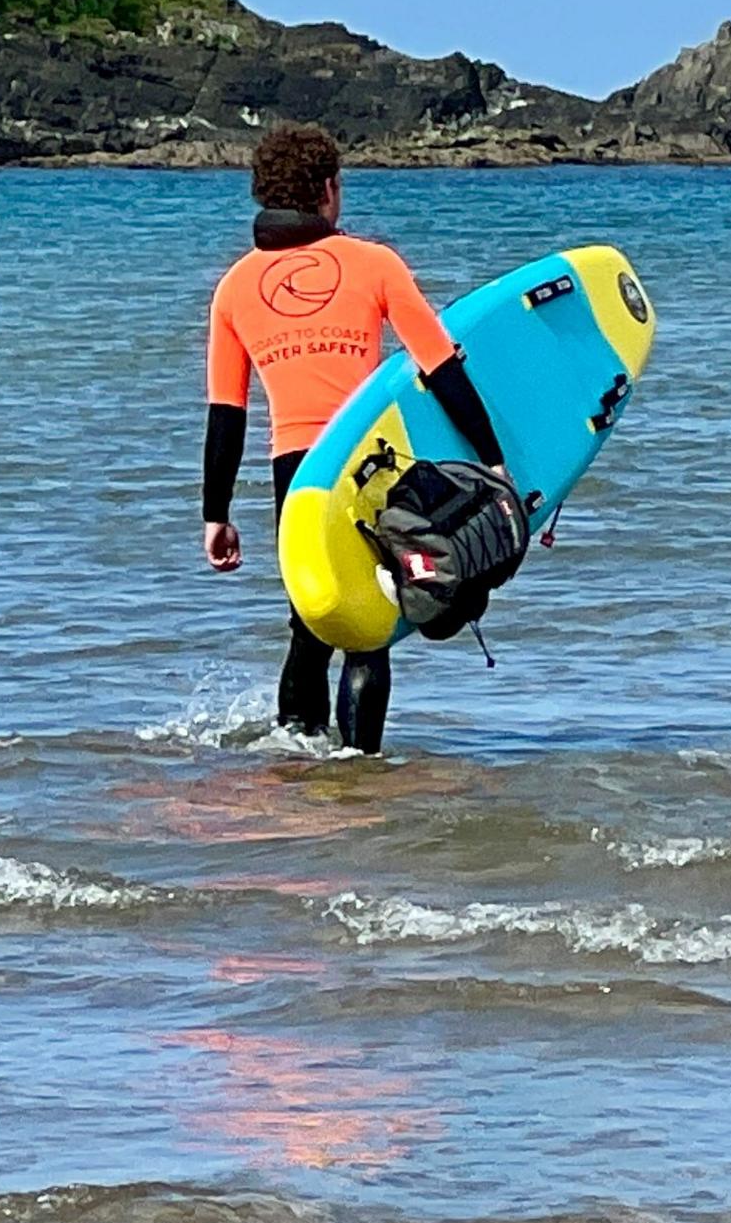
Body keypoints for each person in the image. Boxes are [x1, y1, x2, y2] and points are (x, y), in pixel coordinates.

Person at [200, 123, 505, 752]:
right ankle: (359, 771)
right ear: (329, 191)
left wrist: (216, 514)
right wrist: (493, 459)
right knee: (369, 623)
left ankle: (295, 758)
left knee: (312, 619)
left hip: (299, 475)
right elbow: (440, 366)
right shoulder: (374, 263)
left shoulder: (233, 287)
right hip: (369, 463)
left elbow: (226, 412)